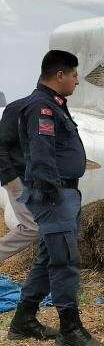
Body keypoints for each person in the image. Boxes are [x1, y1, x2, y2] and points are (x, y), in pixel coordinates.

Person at [7, 50, 104, 346]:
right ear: (59, 75)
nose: (77, 81)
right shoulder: (42, 108)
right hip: (55, 195)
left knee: (48, 257)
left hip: (63, 193)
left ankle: (23, 320)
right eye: (74, 75)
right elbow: (41, 151)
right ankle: (70, 329)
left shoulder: (54, 105)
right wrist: (50, 193)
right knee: (64, 261)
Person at [0, 96, 38, 262]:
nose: (77, 81)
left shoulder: (54, 111)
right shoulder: (18, 108)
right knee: (33, 226)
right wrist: (11, 178)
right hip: (17, 178)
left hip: (35, 180)